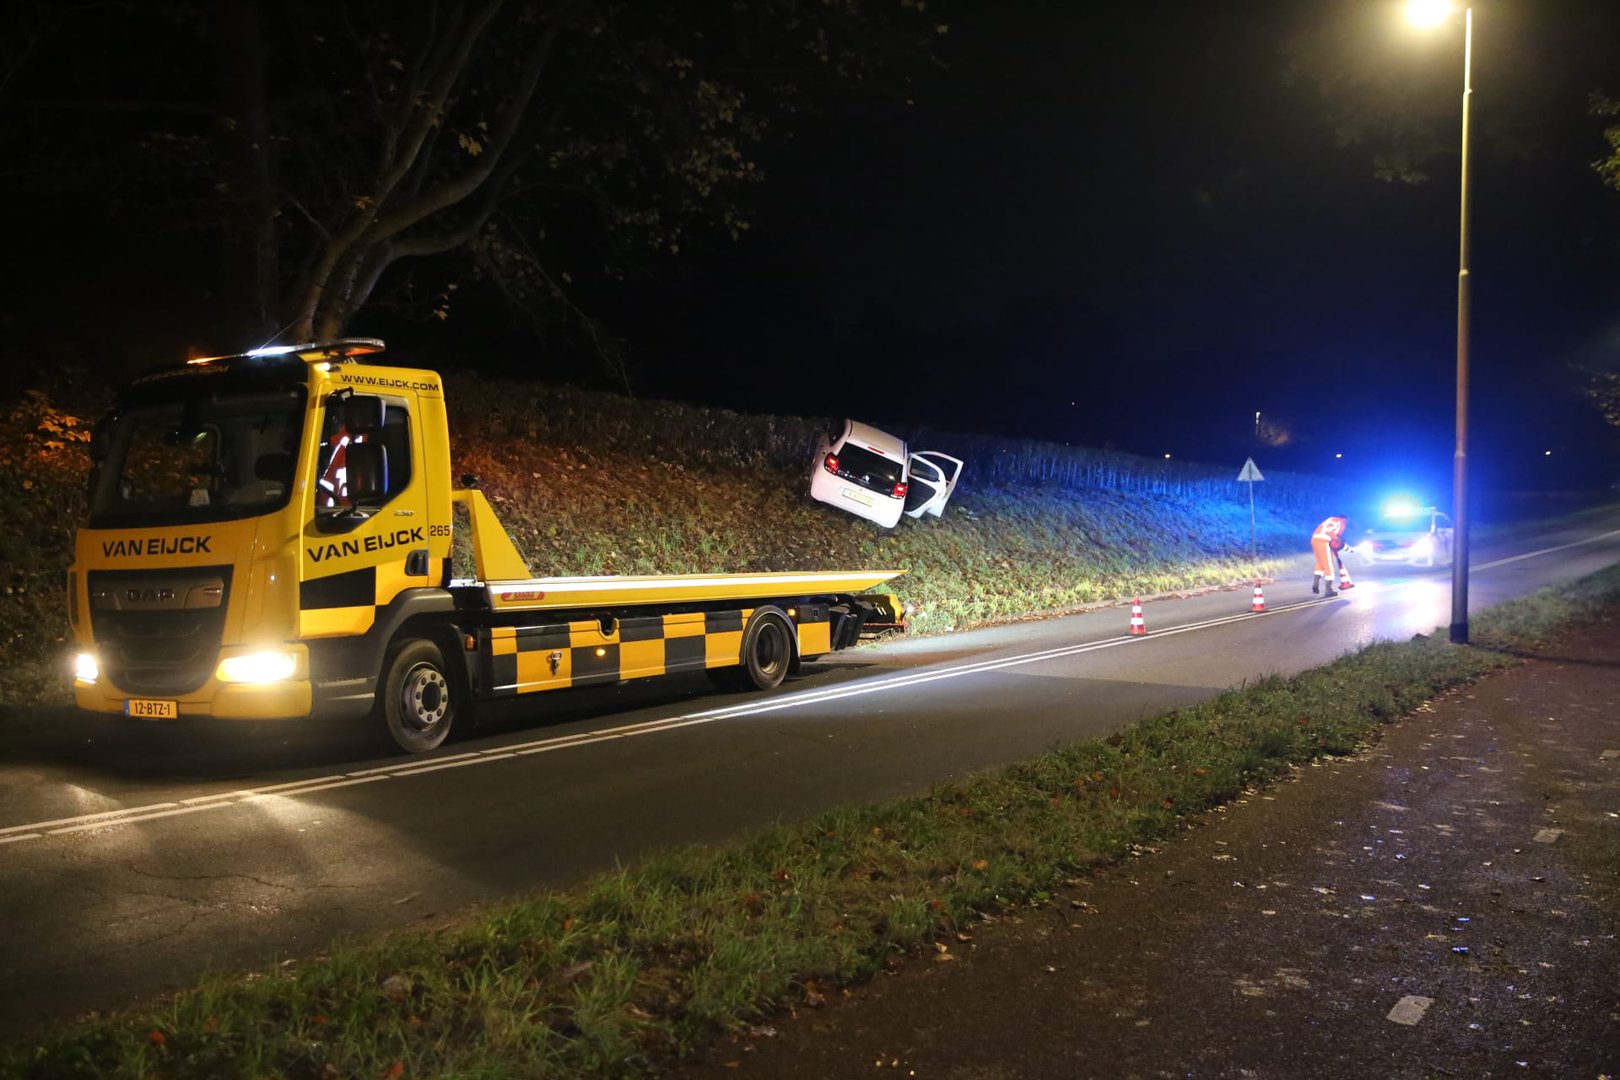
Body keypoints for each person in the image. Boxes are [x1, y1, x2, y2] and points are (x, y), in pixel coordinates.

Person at [1311, 514, 1349, 596]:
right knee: (1329, 565)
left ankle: (1316, 584)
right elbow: (1329, 531)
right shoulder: (1340, 521)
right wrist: (1339, 540)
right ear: (1344, 519)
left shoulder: (1330, 519)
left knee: (1320, 563)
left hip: (1314, 539)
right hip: (1323, 540)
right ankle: (1328, 590)